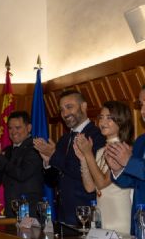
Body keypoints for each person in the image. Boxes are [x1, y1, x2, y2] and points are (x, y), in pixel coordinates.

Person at [34, 90, 105, 226]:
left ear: (83, 106)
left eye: (69, 107)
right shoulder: (64, 139)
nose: (65, 114)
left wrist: (54, 155)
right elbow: (52, 182)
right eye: (61, 110)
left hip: (86, 215)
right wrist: (48, 162)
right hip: (63, 215)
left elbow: (83, 172)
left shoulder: (96, 135)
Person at [73, 101, 132, 235]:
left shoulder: (124, 150)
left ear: (121, 121)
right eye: (101, 117)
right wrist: (83, 159)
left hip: (119, 218)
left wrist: (88, 153)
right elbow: (91, 187)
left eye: (109, 118)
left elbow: (102, 183)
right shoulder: (100, 151)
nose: (103, 122)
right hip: (101, 216)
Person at [0, 111, 44, 218]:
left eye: (18, 127)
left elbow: (22, 174)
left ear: (29, 128)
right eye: (10, 128)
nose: (13, 132)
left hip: (30, 213)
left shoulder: (36, 148)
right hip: (11, 212)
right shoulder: (7, 151)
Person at [107, 86, 145, 238]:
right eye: (141, 104)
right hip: (139, 224)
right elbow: (132, 181)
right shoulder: (141, 141)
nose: (142, 111)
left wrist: (128, 161)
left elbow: (134, 165)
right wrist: (117, 169)